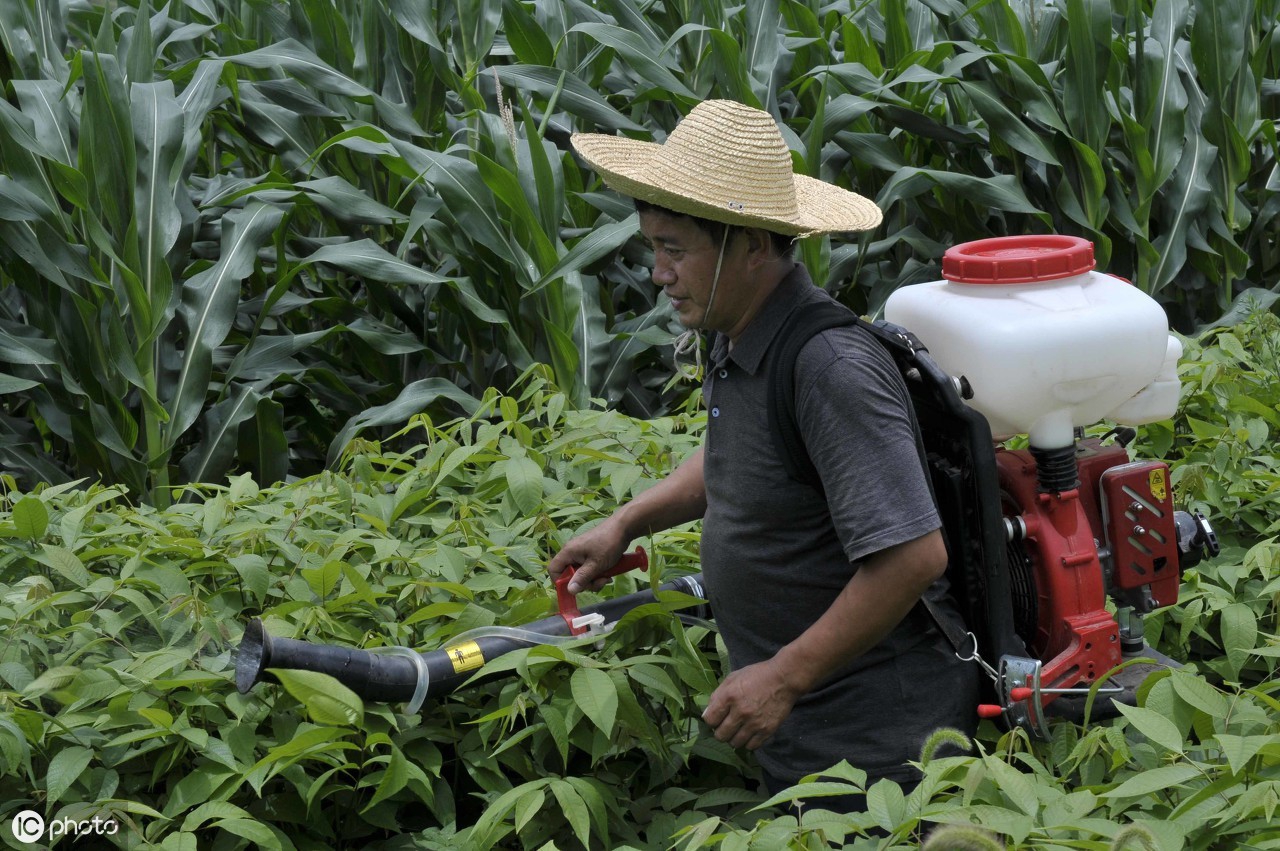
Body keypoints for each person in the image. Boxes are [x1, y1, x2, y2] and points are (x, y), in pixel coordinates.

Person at [549, 99, 978, 809]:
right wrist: (628, 522)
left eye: (675, 249)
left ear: (751, 245)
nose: (658, 273)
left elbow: (913, 556)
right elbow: (739, 457)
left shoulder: (829, 368)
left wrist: (782, 676)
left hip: (881, 756)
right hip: (805, 737)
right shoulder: (741, 333)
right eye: (652, 246)